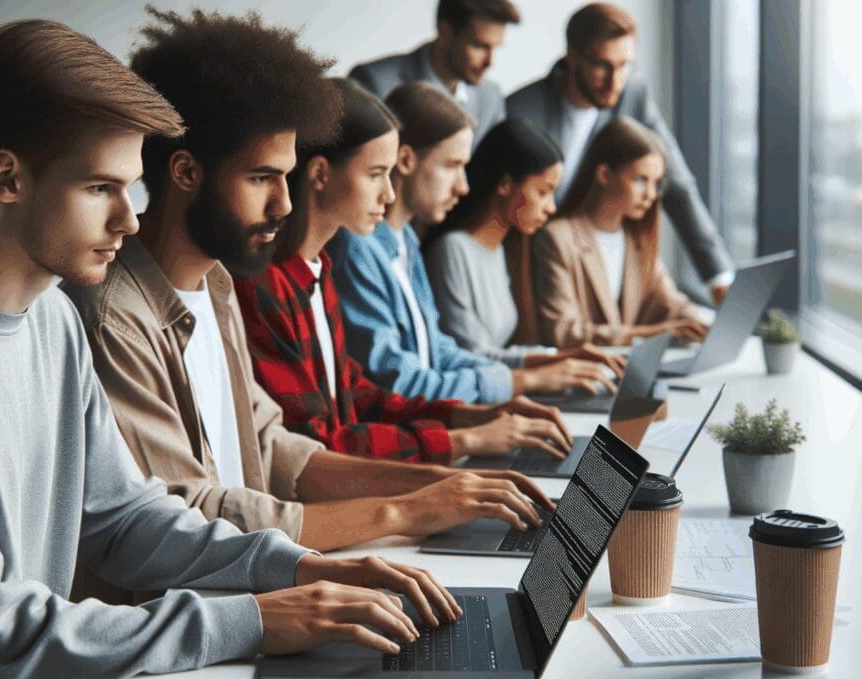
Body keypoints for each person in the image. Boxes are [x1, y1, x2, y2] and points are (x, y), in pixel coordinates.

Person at [0, 19, 459, 679]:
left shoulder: (49, 320)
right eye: (101, 188)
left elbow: (123, 518)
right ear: (8, 178)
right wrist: (255, 620)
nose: (130, 221)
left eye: (130, 187)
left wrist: (295, 570)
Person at [65, 14, 550, 562]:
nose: (285, 204)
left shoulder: (217, 283)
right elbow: (190, 516)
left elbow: (275, 448)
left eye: (285, 176)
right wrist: (404, 509)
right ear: (184, 172)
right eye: (261, 178)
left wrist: (436, 483)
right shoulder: (115, 317)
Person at [233, 79, 575, 476]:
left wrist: (471, 417)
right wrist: (463, 439)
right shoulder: (269, 286)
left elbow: (360, 395)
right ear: (321, 174)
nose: (389, 194)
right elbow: (317, 445)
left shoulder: (320, 270)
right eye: (377, 174)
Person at [328, 82, 622, 404]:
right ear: (407, 161)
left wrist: (539, 366)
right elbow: (399, 381)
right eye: (452, 166)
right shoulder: (356, 249)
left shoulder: (407, 239)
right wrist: (523, 380)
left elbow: (439, 350)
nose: (463, 186)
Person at [506, 2, 736, 303]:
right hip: (532, 274)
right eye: (603, 65)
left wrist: (718, 276)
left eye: (625, 65)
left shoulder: (632, 93)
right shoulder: (521, 111)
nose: (615, 81)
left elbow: (676, 183)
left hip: (596, 269)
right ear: (572, 56)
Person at [424, 116, 628, 374]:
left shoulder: (501, 250)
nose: (551, 208)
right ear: (506, 185)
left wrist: (561, 358)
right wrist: (555, 361)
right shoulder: (451, 251)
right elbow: (471, 354)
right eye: (543, 192)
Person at [533, 116, 709, 346]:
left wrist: (700, 325)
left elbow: (673, 305)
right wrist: (651, 334)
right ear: (604, 174)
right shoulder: (557, 238)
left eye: (656, 183)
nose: (651, 194)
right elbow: (563, 331)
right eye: (639, 180)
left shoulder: (636, 241)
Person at [349, 0, 519, 142]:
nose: (490, 62)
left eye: (495, 48)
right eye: (479, 46)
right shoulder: (373, 83)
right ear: (445, 32)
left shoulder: (491, 99)